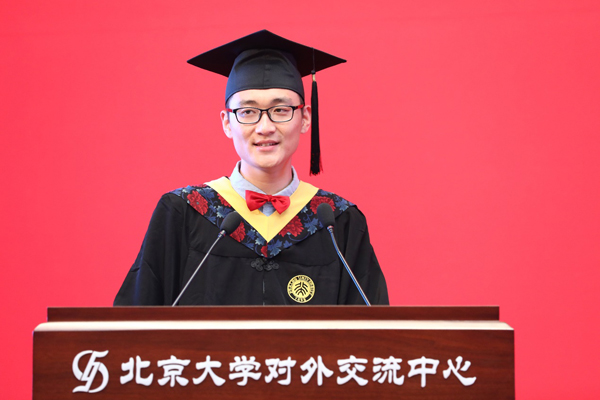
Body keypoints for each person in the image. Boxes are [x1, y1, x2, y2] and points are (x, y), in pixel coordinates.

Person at [114, 30, 388, 306]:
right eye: (247, 112)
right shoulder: (184, 213)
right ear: (226, 123)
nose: (265, 127)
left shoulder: (338, 222)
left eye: (281, 110)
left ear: (305, 118)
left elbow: (374, 328)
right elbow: (136, 321)